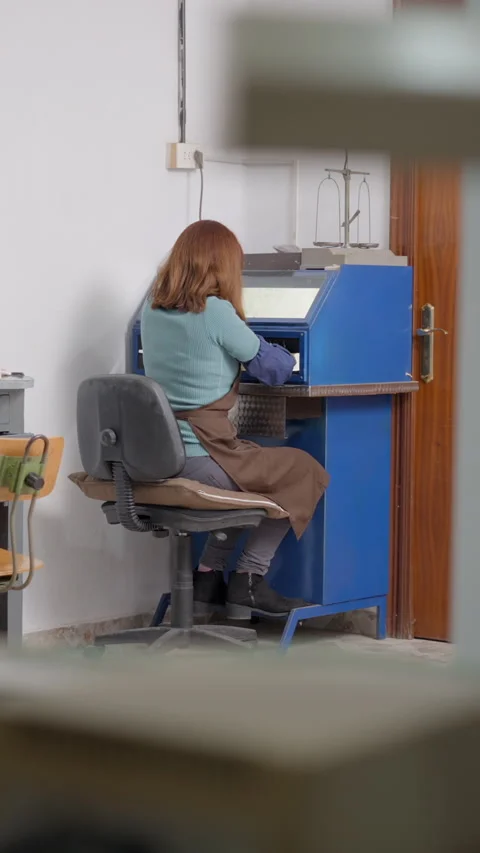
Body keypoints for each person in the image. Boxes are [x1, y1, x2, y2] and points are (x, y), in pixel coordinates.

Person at [141, 220, 329, 620]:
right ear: (223, 265)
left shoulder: (152, 308)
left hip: (158, 456)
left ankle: (208, 579)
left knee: (253, 475)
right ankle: (248, 581)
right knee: (302, 472)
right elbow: (275, 369)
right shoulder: (217, 312)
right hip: (204, 458)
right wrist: (274, 347)